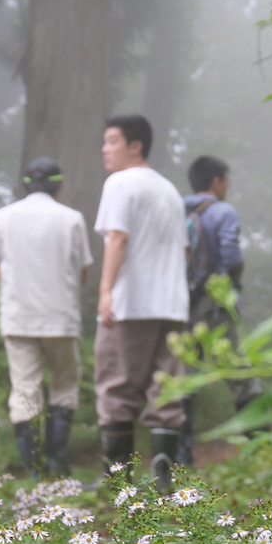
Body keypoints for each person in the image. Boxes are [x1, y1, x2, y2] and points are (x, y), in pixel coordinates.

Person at [93, 113, 189, 490]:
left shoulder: (120, 183)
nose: (105, 149)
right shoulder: (169, 190)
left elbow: (117, 238)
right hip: (171, 303)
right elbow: (181, 250)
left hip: (131, 304)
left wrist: (105, 292)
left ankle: (117, 482)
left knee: (116, 385)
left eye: (112, 141)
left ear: (136, 146)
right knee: (167, 389)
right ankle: (164, 480)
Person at [0, 158, 93, 478]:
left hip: (19, 317)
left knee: (25, 390)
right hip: (60, 317)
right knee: (64, 386)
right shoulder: (72, 219)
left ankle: (34, 471)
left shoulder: (3, 217)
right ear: (60, 187)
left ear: (25, 185)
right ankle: (58, 462)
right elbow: (84, 271)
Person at [178, 155, 263, 464]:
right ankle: (261, 445)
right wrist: (231, 283)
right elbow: (231, 255)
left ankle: (181, 455)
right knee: (239, 372)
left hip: (183, 304)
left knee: (185, 375)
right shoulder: (222, 211)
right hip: (215, 305)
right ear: (216, 181)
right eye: (226, 181)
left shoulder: (177, 209)